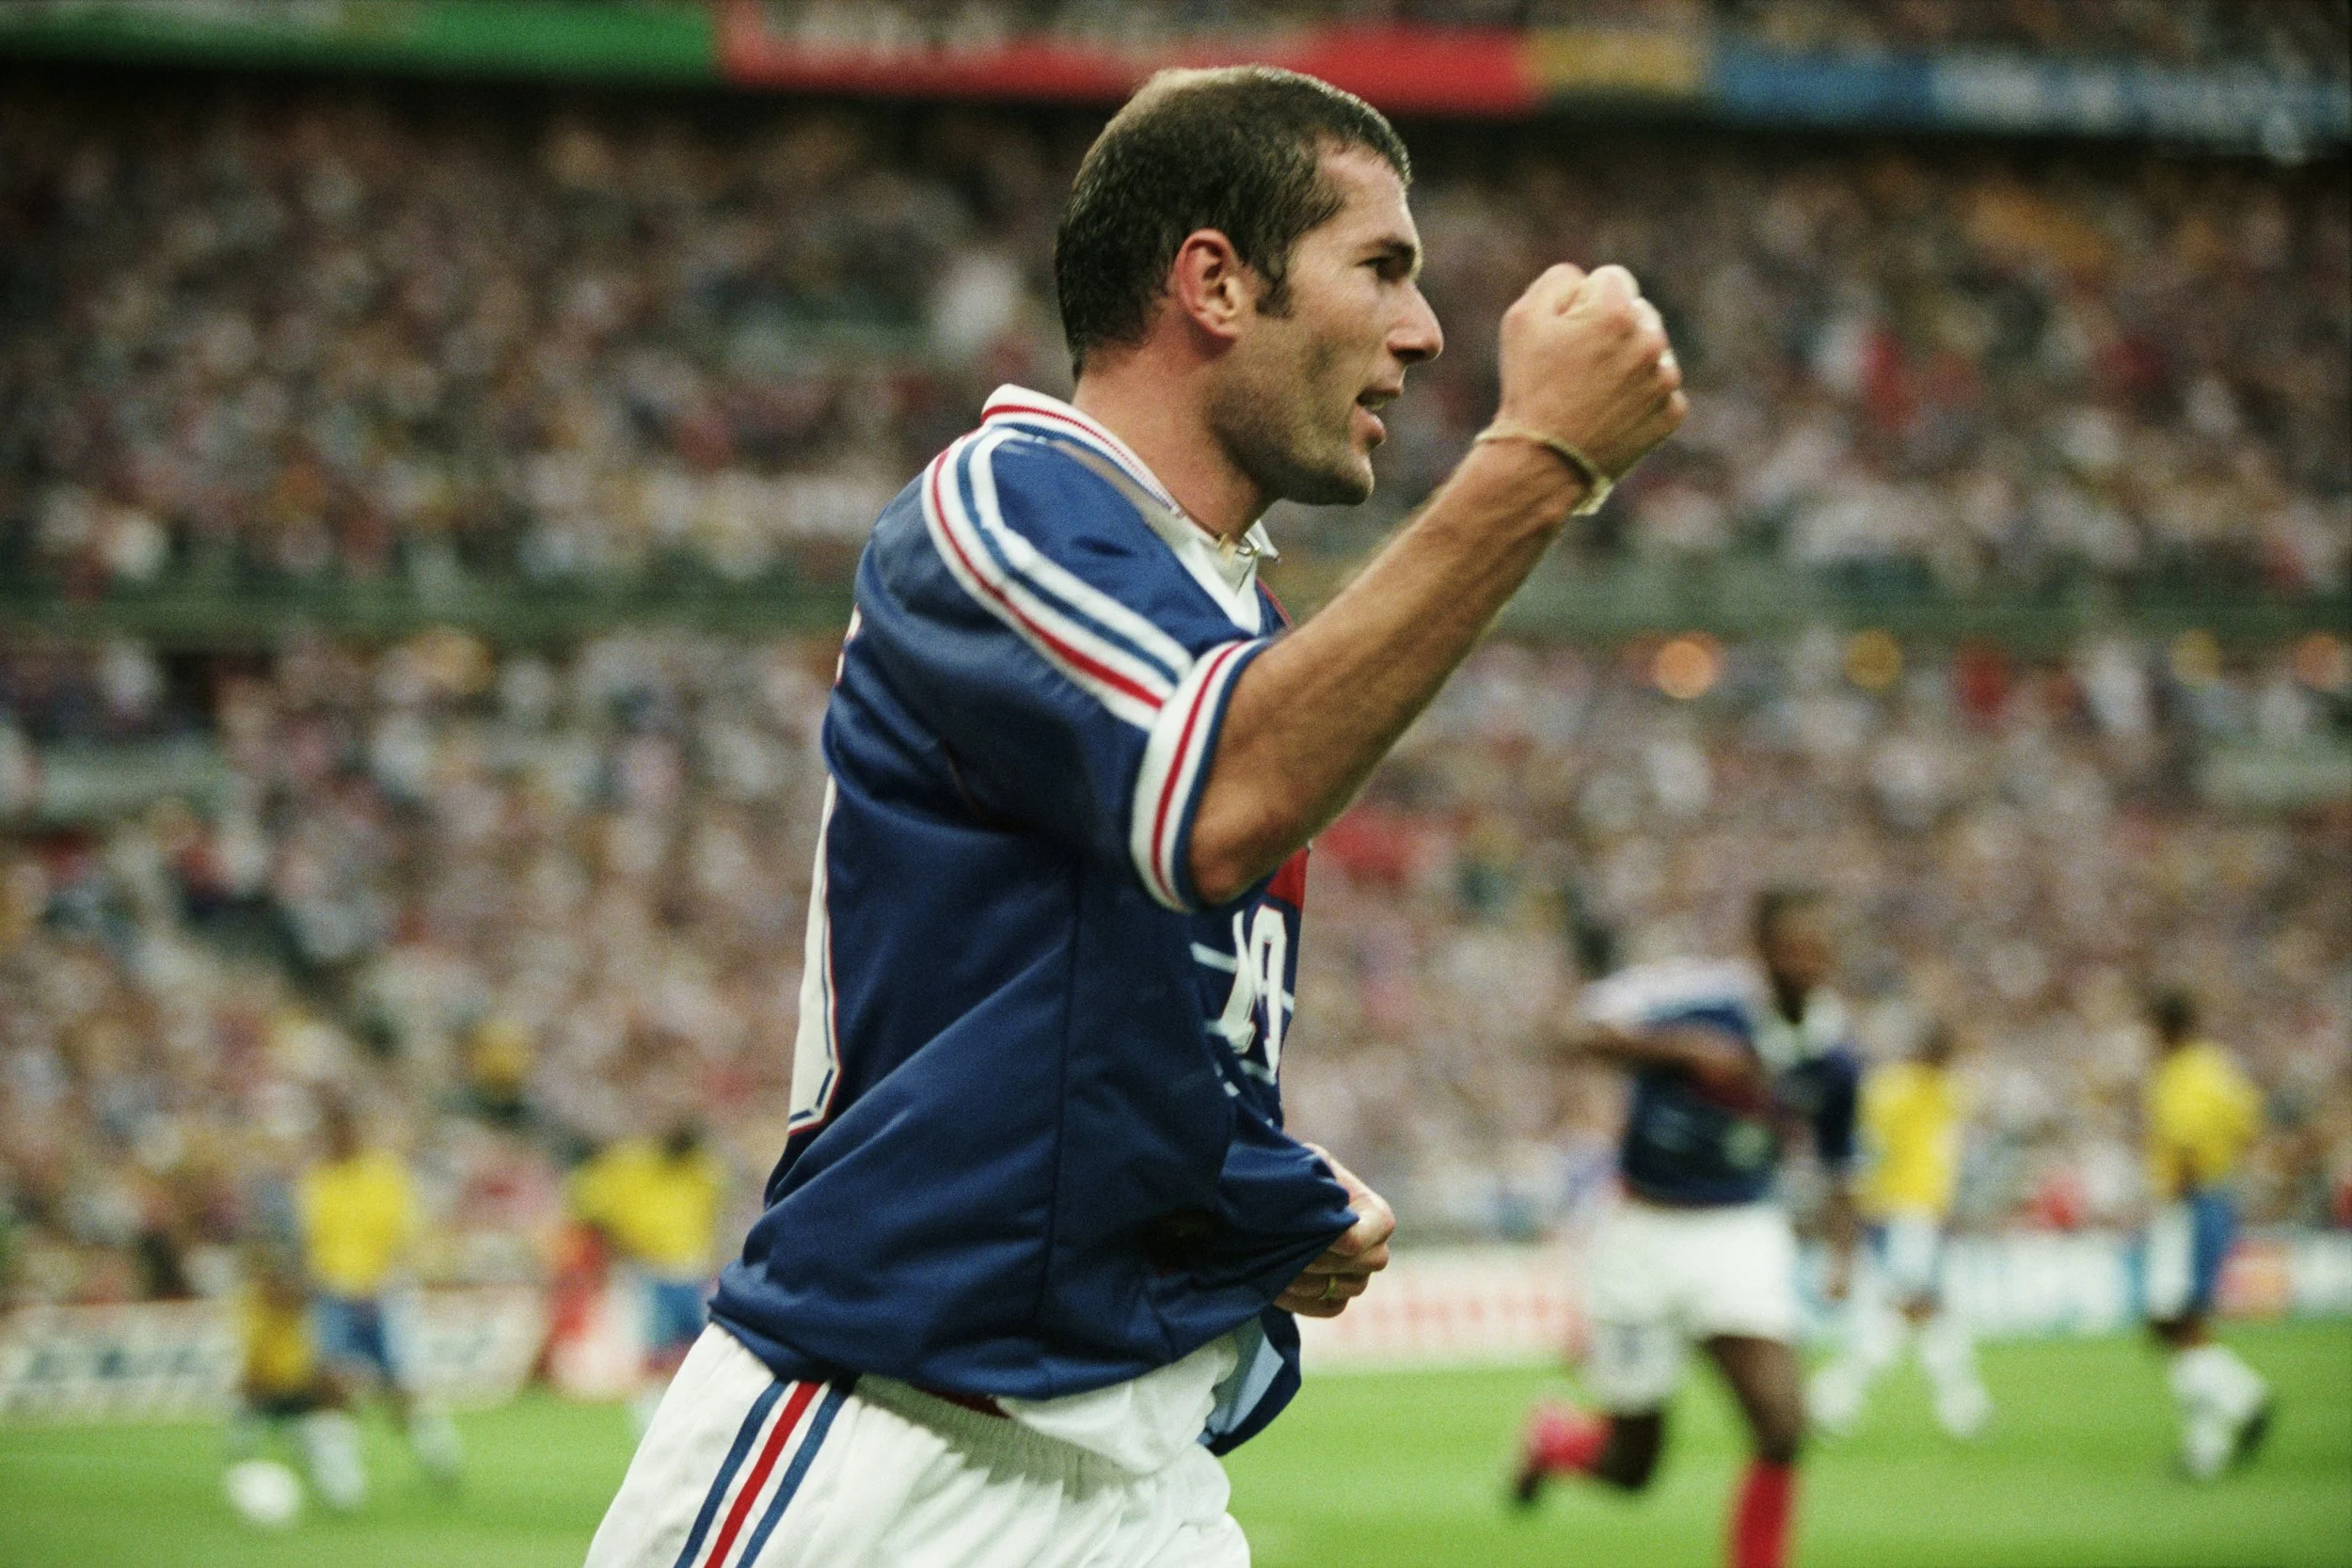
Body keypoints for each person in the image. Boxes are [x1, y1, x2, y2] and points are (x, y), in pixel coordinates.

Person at [587, 63, 1684, 1568]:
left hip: (1140, 1473)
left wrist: (1265, 1195)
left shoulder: (1232, 626)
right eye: (1382, 267)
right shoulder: (1004, 500)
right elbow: (1210, 801)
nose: (1425, 330)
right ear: (1215, 282)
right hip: (888, 1451)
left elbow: (1097, 1027)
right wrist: (1538, 460)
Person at [1514, 889, 1860, 1568]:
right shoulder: (1701, 1003)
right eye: (1790, 949)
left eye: (1816, 952)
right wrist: (1682, 1050)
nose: (1804, 964)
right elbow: (1572, 1031)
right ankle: (1555, 1441)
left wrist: (1843, 1256)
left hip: (1740, 1231)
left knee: (1782, 1421)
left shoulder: (1832, 1058)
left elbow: (1840, 1165)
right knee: (1633, 1466)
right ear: (1761, 951)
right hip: (1641, 1231)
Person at [1806, 1021, 1992, 1439]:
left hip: (1903, 1211)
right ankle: (1832, 1395)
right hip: (1907, 1211)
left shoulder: (1896, 1087)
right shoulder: (1918, 1089)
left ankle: (1962, 1405)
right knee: (1910, 1307)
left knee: (1927, 1308)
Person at [2139, 987, 2272, 1480]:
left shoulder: (2179, 1075)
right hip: (2218, 1195)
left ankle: (2243, 1401)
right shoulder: (2219, 1067)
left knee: (2173, 1322)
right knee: (2182, 1324)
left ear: (2164, 1029)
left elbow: (2185, 1145)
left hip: (2189, 1203)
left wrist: (2174, 1201)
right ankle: (2208, 1444)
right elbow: (2249, 1124)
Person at [296, 1094, 462, 1487]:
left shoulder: (385, 1177)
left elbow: (403, 1238)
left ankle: (436, 1450)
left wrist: (379, 1283)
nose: (339, 1139)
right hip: (333, 1293)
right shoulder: (317, 1180)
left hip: (383, 1293)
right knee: (330, 1381)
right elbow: (311, 1242)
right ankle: (342, 1477)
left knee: (398, 1386)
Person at [570, 1120, 730, 1433]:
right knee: (655, 1350)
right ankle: (648, 1417)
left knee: (701, 1349)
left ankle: (698, 1415)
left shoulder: (703, 1172)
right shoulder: (633, 1167)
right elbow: (592, 1204)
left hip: (692, 1271)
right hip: (652, 1270)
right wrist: (625, 1245)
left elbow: (714, 1218)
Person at [226, 1238, 366, 1514]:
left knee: (326, 1432)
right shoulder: (250, 1307)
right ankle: (247, 1481)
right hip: (265, 1387)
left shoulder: (302, 1305)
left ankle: (342, 1491)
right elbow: (251, 1357)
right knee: (242, 1435)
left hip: (301, 1386)